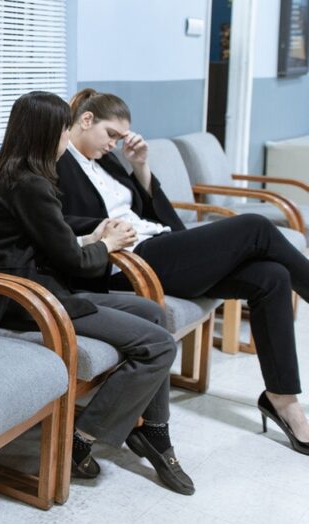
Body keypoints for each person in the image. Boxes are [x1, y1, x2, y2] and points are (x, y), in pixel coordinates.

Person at [58, 87, 309, 455]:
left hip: (160, 245)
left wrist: (141, 165)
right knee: (255, 226)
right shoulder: (59, 160)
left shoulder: (109, 161)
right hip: (131, 259)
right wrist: (107, 230)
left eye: (119, 138)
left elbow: (155, 213)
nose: (113, 144)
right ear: (86, 120)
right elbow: (56, 225)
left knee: (273, 277)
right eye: (109, 134)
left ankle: (283, 400)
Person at [0, 91, 195, 494]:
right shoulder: (30, 185)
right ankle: (82, 439)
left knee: (152, 312)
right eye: (62, 130)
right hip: (30, 301)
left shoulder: (14, 176)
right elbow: (73, 261)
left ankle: (154, 431)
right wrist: (107, 246)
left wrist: (93, 236)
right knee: (160, 345)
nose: (65, 137)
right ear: (46, 134)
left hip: (41, 290)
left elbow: (49, 241)